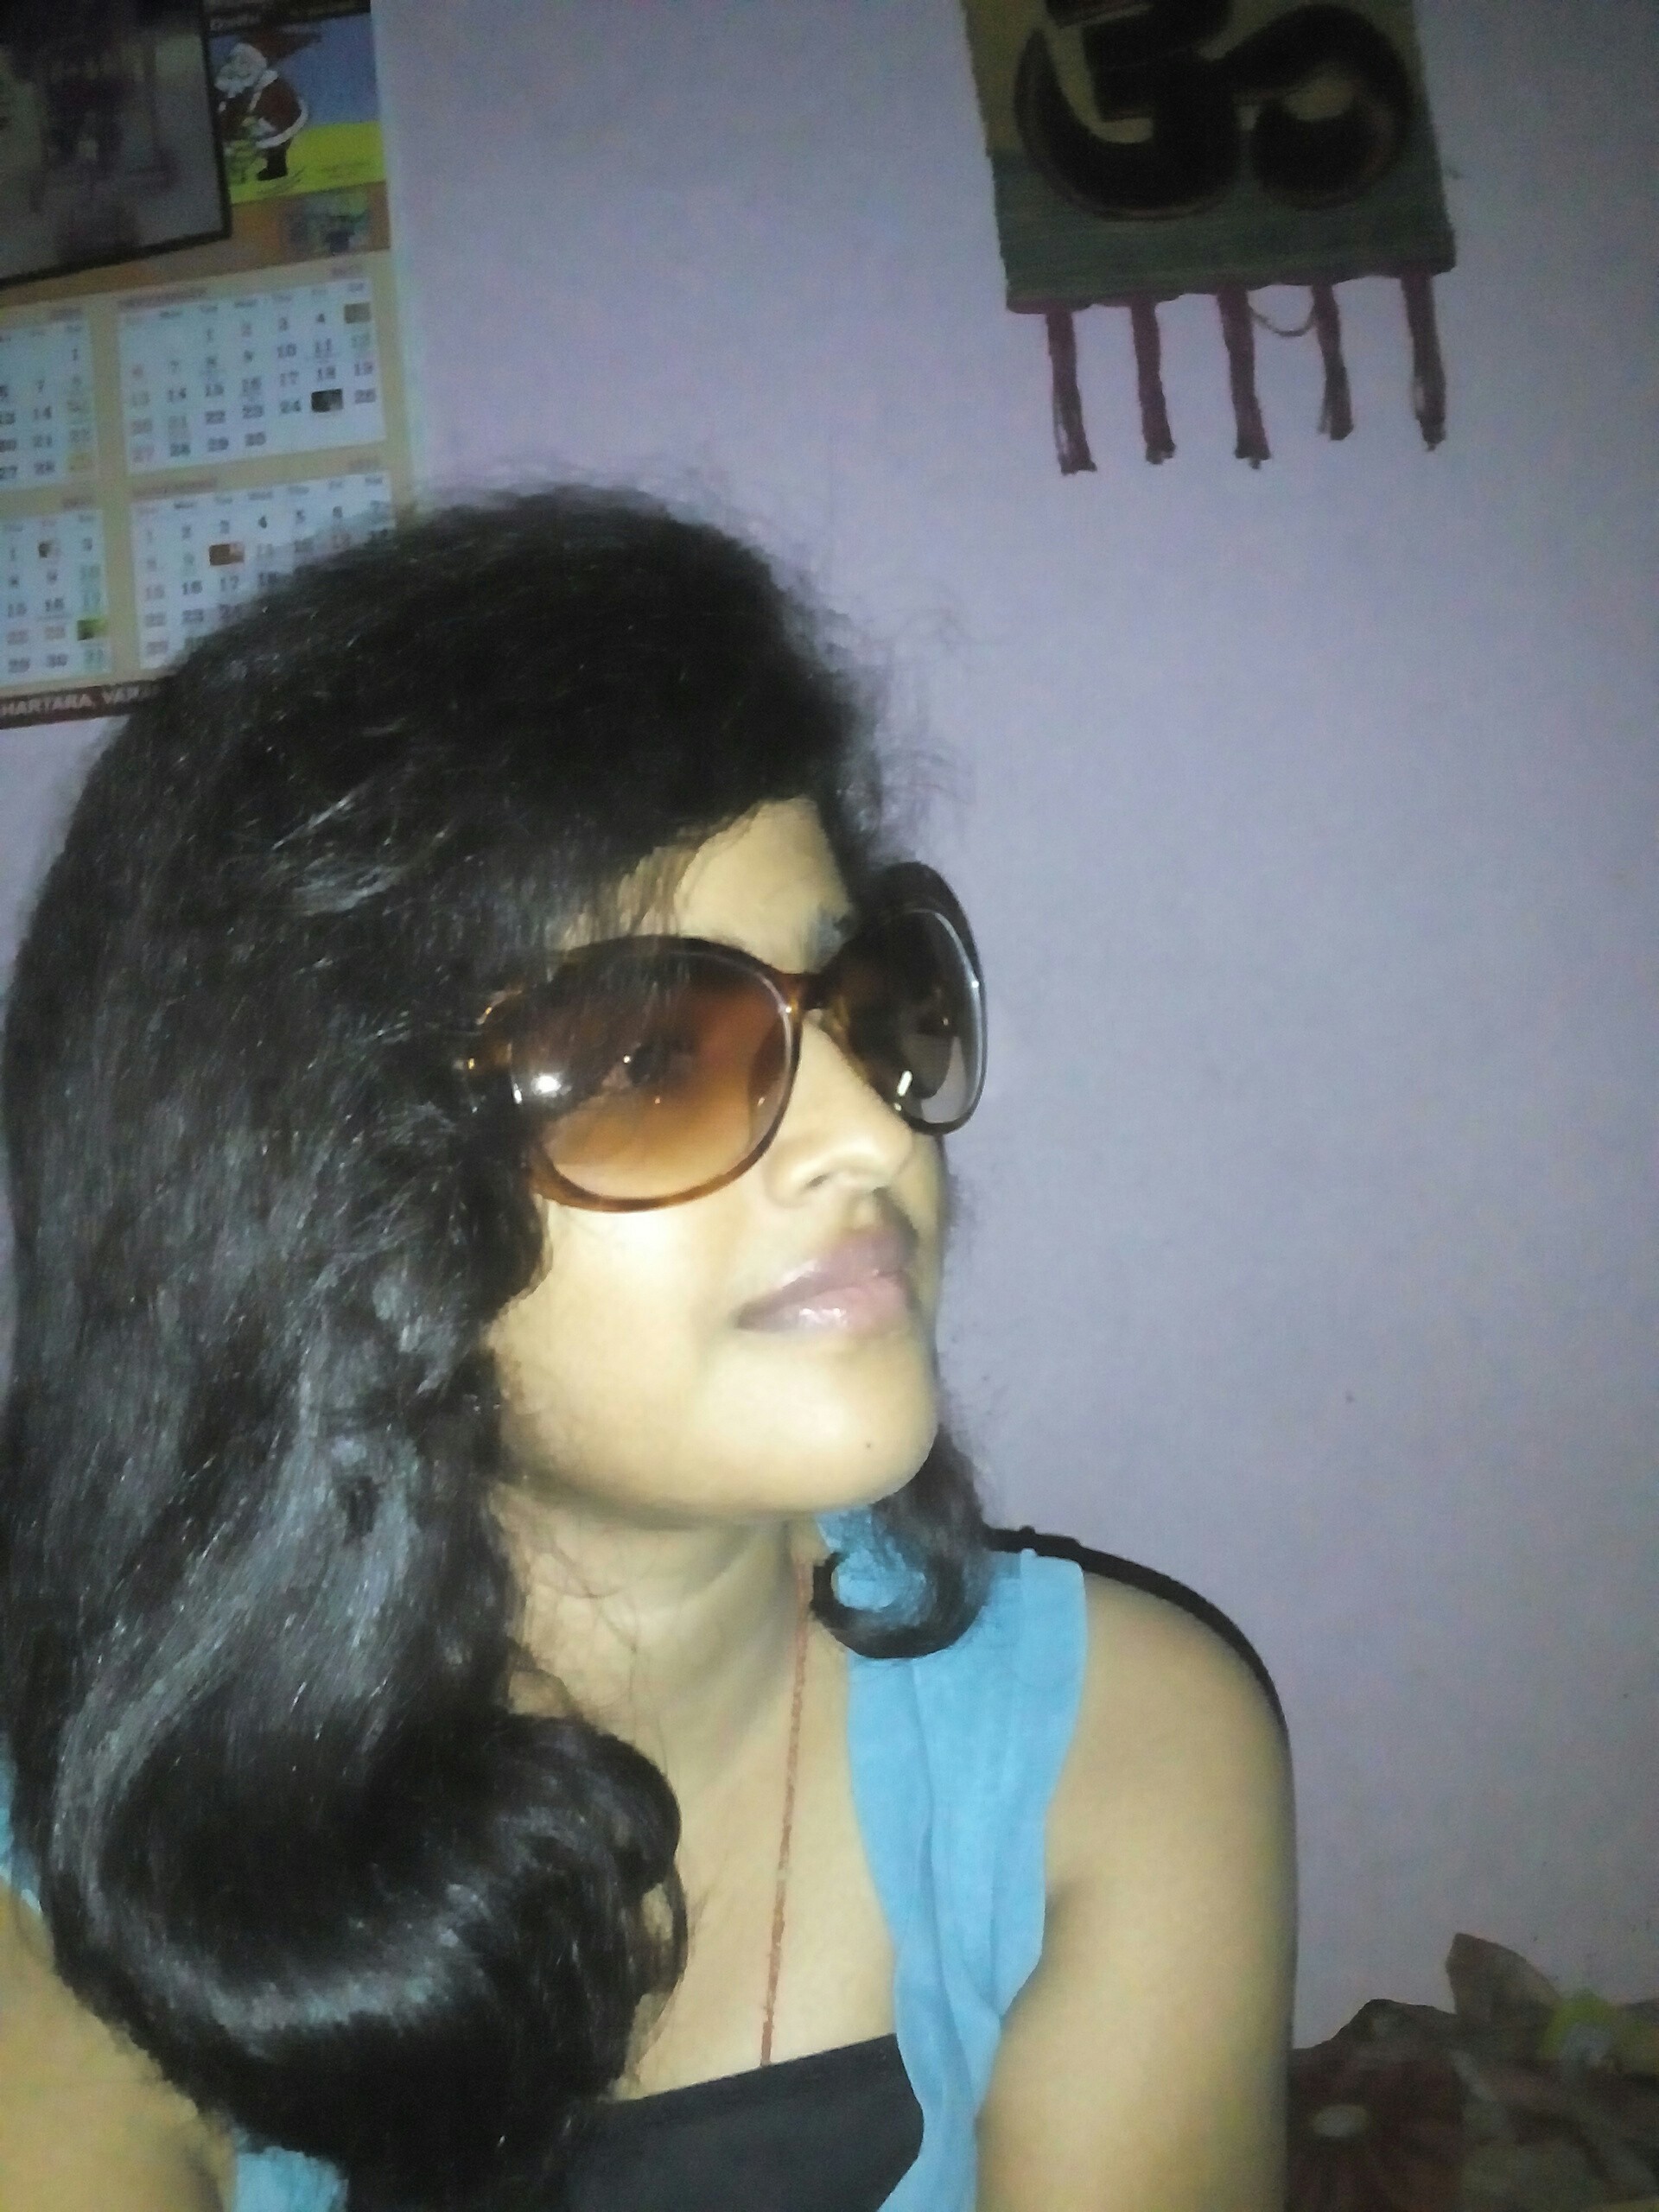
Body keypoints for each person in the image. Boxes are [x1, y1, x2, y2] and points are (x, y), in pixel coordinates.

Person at [0, 491, 1294, 2211]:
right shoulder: (83, 1906)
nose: (871, 1132)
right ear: (313, 1196)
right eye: (648, 1058)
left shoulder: (1119, 1759)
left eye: (866, 998)